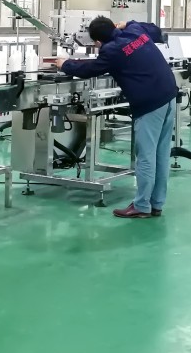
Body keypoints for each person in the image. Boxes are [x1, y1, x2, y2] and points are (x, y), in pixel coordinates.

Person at [57, 16, 179, 220]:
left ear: (97, 42)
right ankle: (156, 203)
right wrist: (128, 23)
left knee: (146, 156)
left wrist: (65, 64)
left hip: (150, 104)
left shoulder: (111, 50)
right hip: (169, 95)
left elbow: (88, 70)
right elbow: (156, 30)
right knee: (161, 154)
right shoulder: (135, 30)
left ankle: (142, 206)